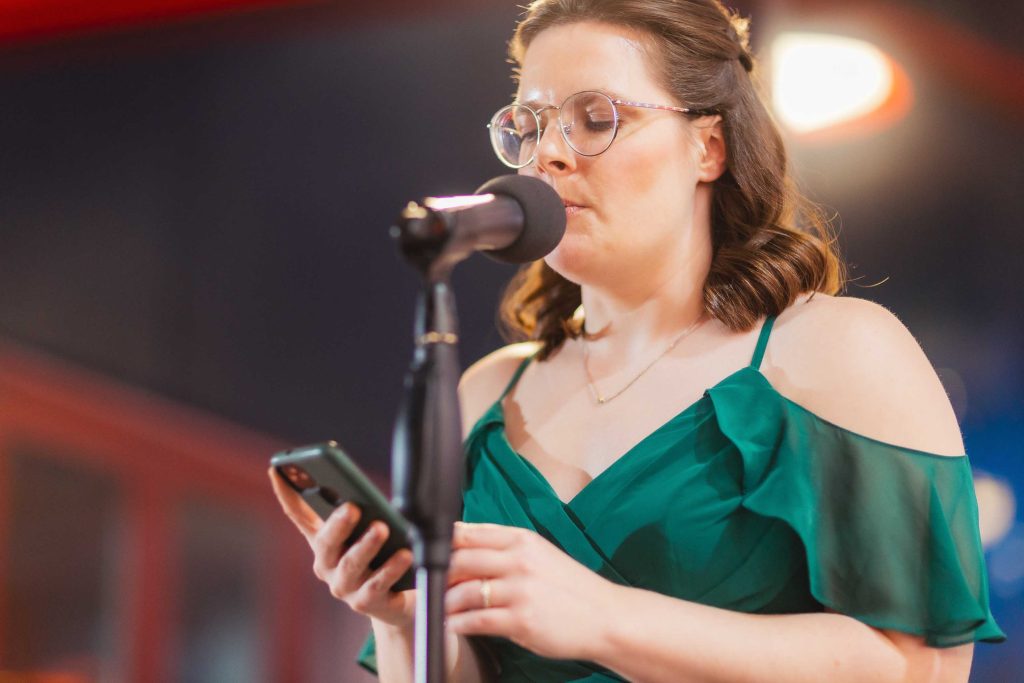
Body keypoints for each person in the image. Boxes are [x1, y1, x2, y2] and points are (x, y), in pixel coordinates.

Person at [270, 0, 1005, 680]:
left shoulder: (833, 350)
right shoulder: (487, 393)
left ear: (708, 147)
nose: (548, 156)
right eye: (529, 126)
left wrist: (603, 617)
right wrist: (401, 616)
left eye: (595, 118)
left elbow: (920, 666)